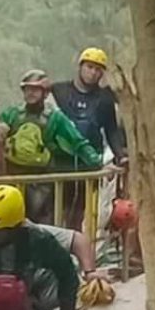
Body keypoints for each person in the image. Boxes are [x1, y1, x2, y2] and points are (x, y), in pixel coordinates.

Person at [0, 69, 103, 224]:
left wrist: (96, 162)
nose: (31, 93)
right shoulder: (11, 114)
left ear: (45, 93)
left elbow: (77, 142)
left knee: (42, 224)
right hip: (13, 176)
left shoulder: (55, 118)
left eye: (35, 89)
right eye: (28, 89)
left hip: (42, 179)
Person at [51, 48, 126, 229]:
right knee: (55, 210)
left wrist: (120, 154)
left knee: (78, 212)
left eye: (98, 70)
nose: (93, 73)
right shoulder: (59, 91)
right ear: (80, 67)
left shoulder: (105, 99)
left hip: (89, 161)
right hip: (61, 160)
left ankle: (73, 246)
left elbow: (111, 130)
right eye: (89, 67)